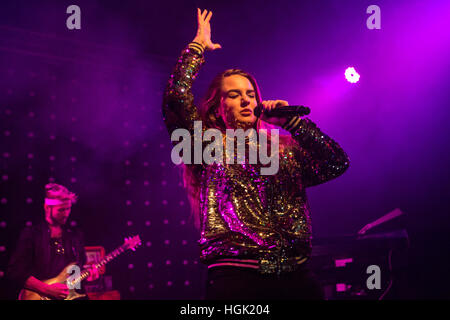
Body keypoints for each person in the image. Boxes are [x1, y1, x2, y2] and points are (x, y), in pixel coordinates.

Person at [162, 8, 350, 300]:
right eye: (235, 95)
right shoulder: (207, 145)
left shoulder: (284, 148)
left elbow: (335, 163)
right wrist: (197, 47)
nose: (246, 100)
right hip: (237, 276)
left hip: (293, 272)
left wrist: (293, 123)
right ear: (217, 107)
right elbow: (176, 98)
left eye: (250, 94)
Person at [7, 183, 99, 300]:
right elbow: (15, 272)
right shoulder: (31, 234)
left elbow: (77, 274)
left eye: (68, 208)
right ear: (47, 207)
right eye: (61, 210)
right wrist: (46, 289)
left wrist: (89, 278)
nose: (66, 213)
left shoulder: (76, 235)